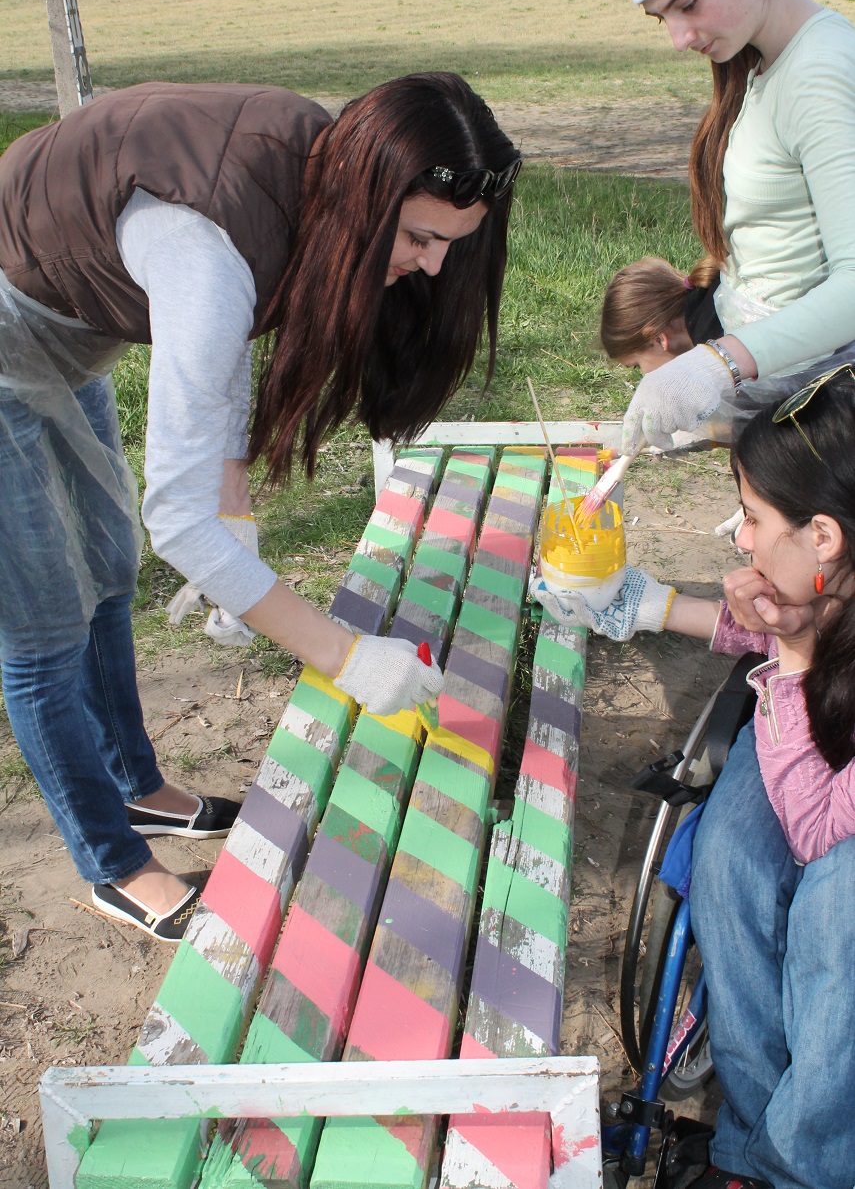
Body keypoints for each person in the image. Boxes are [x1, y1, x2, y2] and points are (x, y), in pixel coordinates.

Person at [0, 73, 521, 942]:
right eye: (420, 238)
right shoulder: (204, 258)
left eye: (449, 245)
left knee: (108, 566)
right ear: (369, 197)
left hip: (63, 319)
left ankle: (136, 785)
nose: (431, 266)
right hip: (9, 330)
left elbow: (231, 340)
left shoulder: (315, 167)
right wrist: (346, 657)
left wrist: (232, 504)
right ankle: (114, 865)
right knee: (43, 625)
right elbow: (179, 522)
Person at [533, 365, 855, 1189]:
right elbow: (787, 625)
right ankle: (748, 1142)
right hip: (814, 720)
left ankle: (806, 1166)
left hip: (828, 781)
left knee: (836, 909)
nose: (740, 538)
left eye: (752, 517)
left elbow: (816, 827)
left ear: (822, 536)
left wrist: (792, 656)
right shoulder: (837, 572)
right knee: (730, 861)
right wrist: (642, 604)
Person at [612, 0, 855, 457]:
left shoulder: (818, 71)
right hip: (780, 404)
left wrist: (718, 364)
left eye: (688, 3)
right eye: (661, 16)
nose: (678, 38)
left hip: (819, 412)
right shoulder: (765, 63)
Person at [600, 255, 722, 373]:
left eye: (637, 366)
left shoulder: (713, 359)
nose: (644, 376)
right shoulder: (712, 292)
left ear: (658, 339)